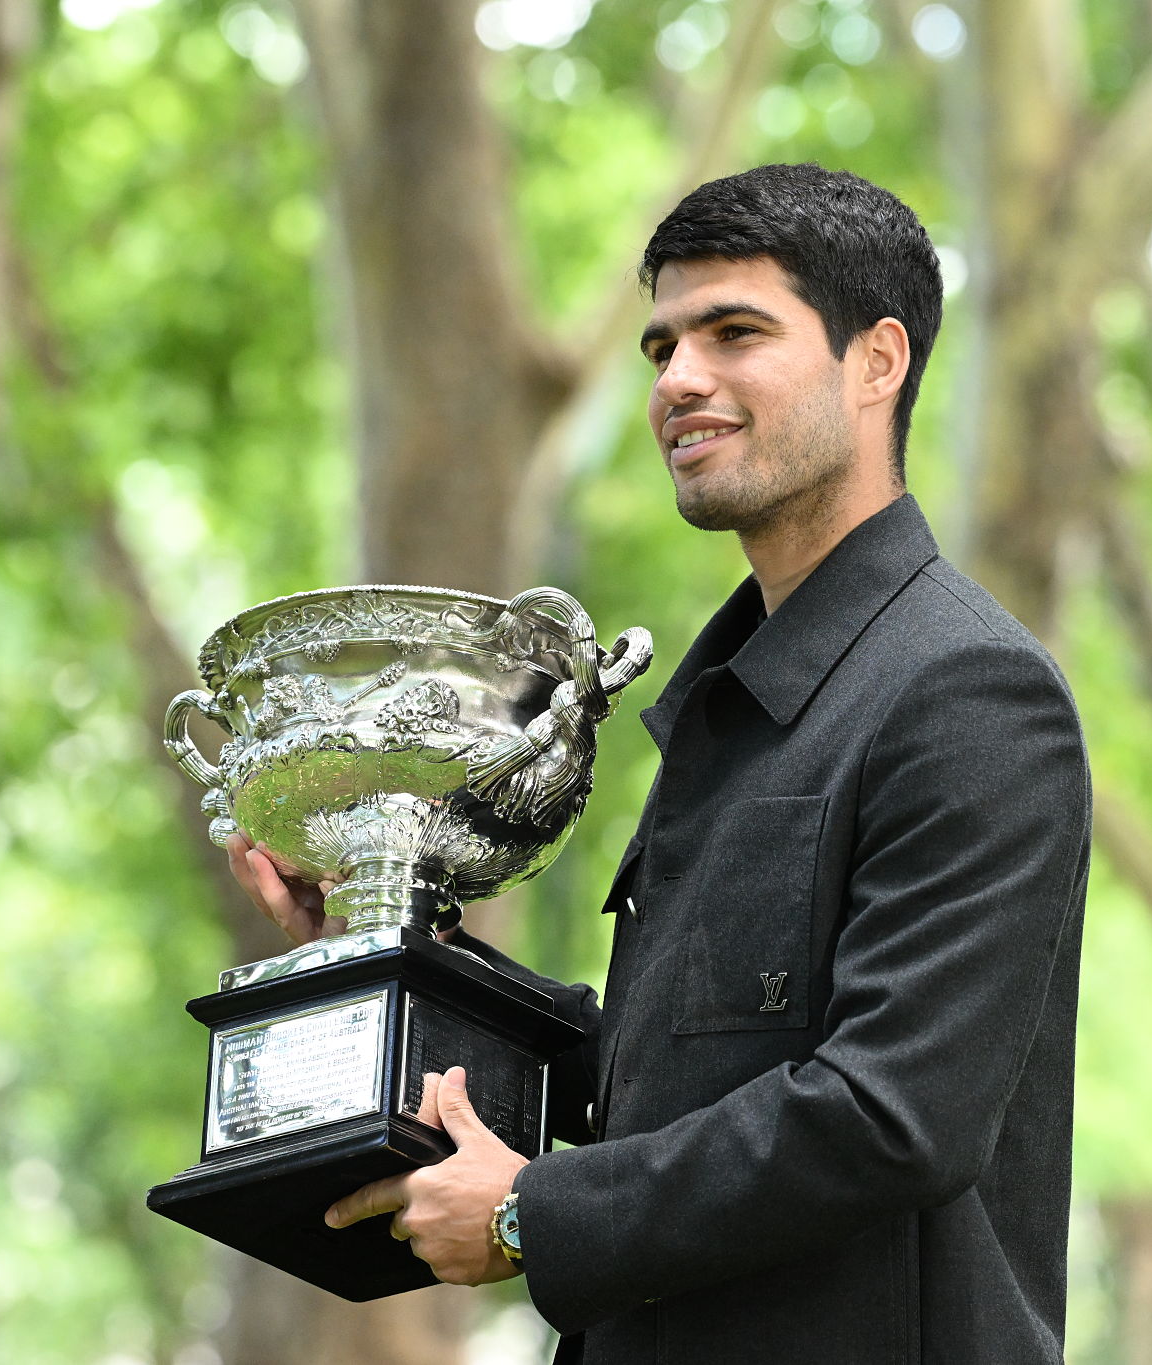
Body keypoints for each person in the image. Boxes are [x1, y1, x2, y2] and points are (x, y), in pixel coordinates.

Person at [228, 163, 1090, 1364]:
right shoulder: (735, 696)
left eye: (735, 332)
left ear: (876, 361)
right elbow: (657, 1088)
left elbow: (894, 1116)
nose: (679, 380)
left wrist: (535, 1215)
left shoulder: (968, 694)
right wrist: (388, 942)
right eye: (661, 345)